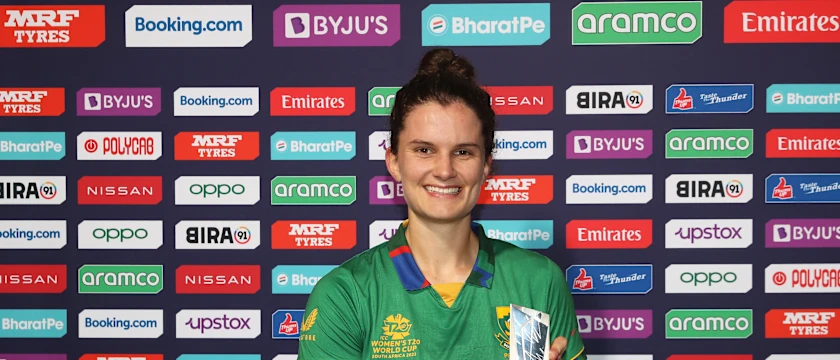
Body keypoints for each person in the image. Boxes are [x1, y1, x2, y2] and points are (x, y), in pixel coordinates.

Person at [297, 48, 587, 360]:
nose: (445, 170)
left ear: (486, 164)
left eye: (463, 152)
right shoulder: (346, 296)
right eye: (424, 150)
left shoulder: (534, 283)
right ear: (393, 160)